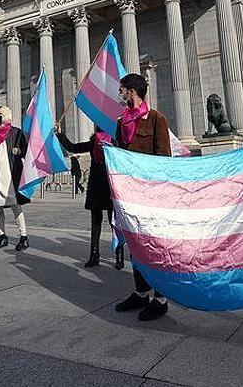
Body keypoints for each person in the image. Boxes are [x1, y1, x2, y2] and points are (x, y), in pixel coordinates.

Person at [111, 73, 175, 322]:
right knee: (135, 246)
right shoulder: (121, 121)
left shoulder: (157, 118)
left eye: (122, 89)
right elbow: (120, 153)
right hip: (128, 196)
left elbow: (163, 159)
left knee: (154, 246)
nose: (120, 94)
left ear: (132, 91)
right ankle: (141, 292)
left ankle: (161, 298)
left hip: (151, 195)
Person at [57, 125, 124, 269]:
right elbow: (73, 148)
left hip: (102, 185)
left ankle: (97, 255)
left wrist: (60, 134)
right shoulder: (111, 142)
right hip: (107, 185)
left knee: (101, 222)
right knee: (112, 222)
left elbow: (73, 147)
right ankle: (115, 256)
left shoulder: (108, 143)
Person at [0, 105, 30, 251]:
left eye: (0, 114)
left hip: (11, 174)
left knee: (16, 205)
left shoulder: (16, 132)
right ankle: (2, 235)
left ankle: (23, 236)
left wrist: (19, 151)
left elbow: (26, 150)